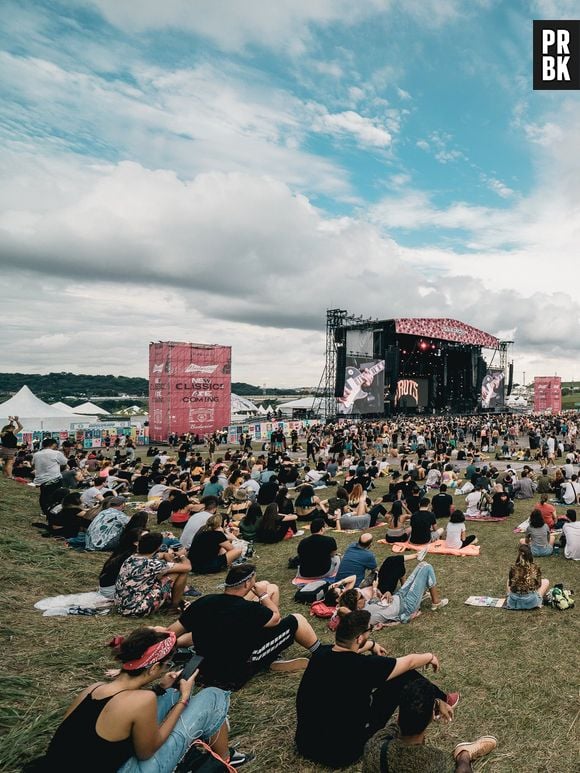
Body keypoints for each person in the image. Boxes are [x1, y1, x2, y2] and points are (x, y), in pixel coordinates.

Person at [39, 626, 252, 771]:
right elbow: (146, 752)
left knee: (170, 692)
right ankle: (225, 759)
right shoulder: (141, 700)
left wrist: (160, 689)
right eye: (165, 665)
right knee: (211, 696)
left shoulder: (92, 689)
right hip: (126, 769)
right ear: (153, 668)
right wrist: (183, 700)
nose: (166, 669)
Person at [295, 609, 458, 769]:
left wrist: (371, 645)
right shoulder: (365, 666)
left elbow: (346, 652)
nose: (370, 634)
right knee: (404, 674)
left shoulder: (320, 654)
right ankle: (441, 699)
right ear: (359, 638)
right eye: (369, 631)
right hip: (342, 754)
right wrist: (430, 657)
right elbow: (409, 662)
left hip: (305, 743)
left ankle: (440, 699)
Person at [168, 563, 322, 691]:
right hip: (237, 671)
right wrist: (263, 596)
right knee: (297, 619)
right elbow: (276, 618)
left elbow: (172, 632)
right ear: (248, 584)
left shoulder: (204, 602)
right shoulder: (250, 609)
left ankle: (273, 655)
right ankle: (320, 653)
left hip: (205, 666)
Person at [362, 679, 497, 773]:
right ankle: (464, 755)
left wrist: (435, 703)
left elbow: (393, 728)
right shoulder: (439, 762)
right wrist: (437, 703)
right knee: (463, 768)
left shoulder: (374, 745)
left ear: (398, 716)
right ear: (432, 718)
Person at [115, 532, 191, 616]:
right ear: (158, 547)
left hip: (121, 605)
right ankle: (173, 607)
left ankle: (171, 603)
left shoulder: (131, 558)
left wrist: (165, 555)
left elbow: (159, 555)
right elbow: (187, 567)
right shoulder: (153, 564)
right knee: (179, 572)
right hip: (136, 610)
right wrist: (182, 556)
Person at [365, 561, 448, 626]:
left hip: (398, 596)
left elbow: (373, 601)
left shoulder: (363, 607)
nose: (363, 598)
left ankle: (422, 594)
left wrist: (386, 592)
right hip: (406, 605)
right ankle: (436, 602)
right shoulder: (366, 619)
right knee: (427, 568)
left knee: (422, 564)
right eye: (361, 598)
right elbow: (373, 626)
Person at [98, 528, 144, 598]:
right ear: (136, 542)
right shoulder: (131, 556)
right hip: (112, 591)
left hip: (106, 588)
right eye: (146, 538)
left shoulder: (124, 550)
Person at [505, 544, 550, 610]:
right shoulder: (535, 567)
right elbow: (539, 585)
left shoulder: (513, 568)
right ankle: (534, 602)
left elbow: (510, 584)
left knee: (508, 580)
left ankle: (511, 597)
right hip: (531, 602)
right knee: (546, 581)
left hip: (513, 602)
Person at [33, 437, 68, 516]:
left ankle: (44, 511)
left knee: (44, 495)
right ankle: (54, 510)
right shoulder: (56, 453)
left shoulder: (36, 454)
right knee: (56, 495)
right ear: (54, 444)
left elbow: (33, 464)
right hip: (54, 477)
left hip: (41, 479)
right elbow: (64, 462)